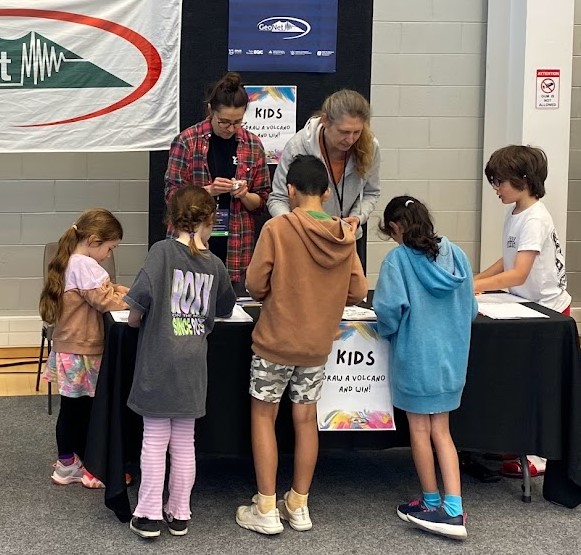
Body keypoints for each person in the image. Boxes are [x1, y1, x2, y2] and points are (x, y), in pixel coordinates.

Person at [236, 154, 368, 535]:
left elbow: (256, 285)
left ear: (290, 191)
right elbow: (358, 291)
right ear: (326, 193)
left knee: (264, 416)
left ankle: (265, 506)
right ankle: (299, 503)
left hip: (274, 342)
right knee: (307, 419)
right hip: (316, 346)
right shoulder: (344, 234)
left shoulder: (277, 229)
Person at [126, 186, 236, 539]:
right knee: (185, 441)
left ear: (170, 220)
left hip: (159, 362)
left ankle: (147, 514)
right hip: (193, 367)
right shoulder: (215, 264)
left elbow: (137, 305)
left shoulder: (161, 252)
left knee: (155, 439)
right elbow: (225, 306)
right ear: (209, 221)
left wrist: (137, 319)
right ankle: (179, 513)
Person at [372, 196, 477, 540]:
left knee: (419, 432)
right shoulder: (457, 256)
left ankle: (431, 501)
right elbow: (471, 309)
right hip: (452, 362)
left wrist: (384, 331)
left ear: (397, 227)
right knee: (443, 433)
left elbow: (388, 311)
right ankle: (453, 508)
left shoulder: (397, 261)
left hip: (415, 360)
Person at [474, 144, 571, 479]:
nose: (497, 189)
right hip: (522, 304)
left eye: (501, 182)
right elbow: (508, 260)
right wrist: (476, 278)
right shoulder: (515, 212)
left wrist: (477, 287)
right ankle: (512, 442)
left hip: (548, 310)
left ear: (524, 180)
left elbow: (518, 274)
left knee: (537, 384)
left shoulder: (535, 218)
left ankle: (539, 456)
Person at [39, 209, 129, 489]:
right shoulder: (87, 266)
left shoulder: (70, 261)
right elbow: (106, 302)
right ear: (93, 240)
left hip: (67, 348)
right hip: (84, 351)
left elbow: (103, 293)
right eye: (110, 248)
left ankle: (67, 463)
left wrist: (116, 290)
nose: (109, 255)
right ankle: (93, 468)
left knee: (71, 409)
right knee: (90, 411)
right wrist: (131, 298)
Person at [164, 71, 271, 293]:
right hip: (192, 243)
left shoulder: (253, 145)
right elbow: (171, 196)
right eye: (224, 122)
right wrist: (208, 191)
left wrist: (244, 194)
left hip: (236, 247)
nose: (230, 128)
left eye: (237, 122)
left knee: (232, 311)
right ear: (211, 111)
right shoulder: (187, 141)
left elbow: (262, 201)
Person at [267, 89, 381, 245]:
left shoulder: (370, 147)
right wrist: (292, 227)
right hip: (305, 240)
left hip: (347, 237)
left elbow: (371, 192)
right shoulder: (298, 146)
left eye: (357, 132)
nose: (350, 139)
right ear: (325, 121)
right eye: (344, 132)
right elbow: (278, 198)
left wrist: (358, 217)